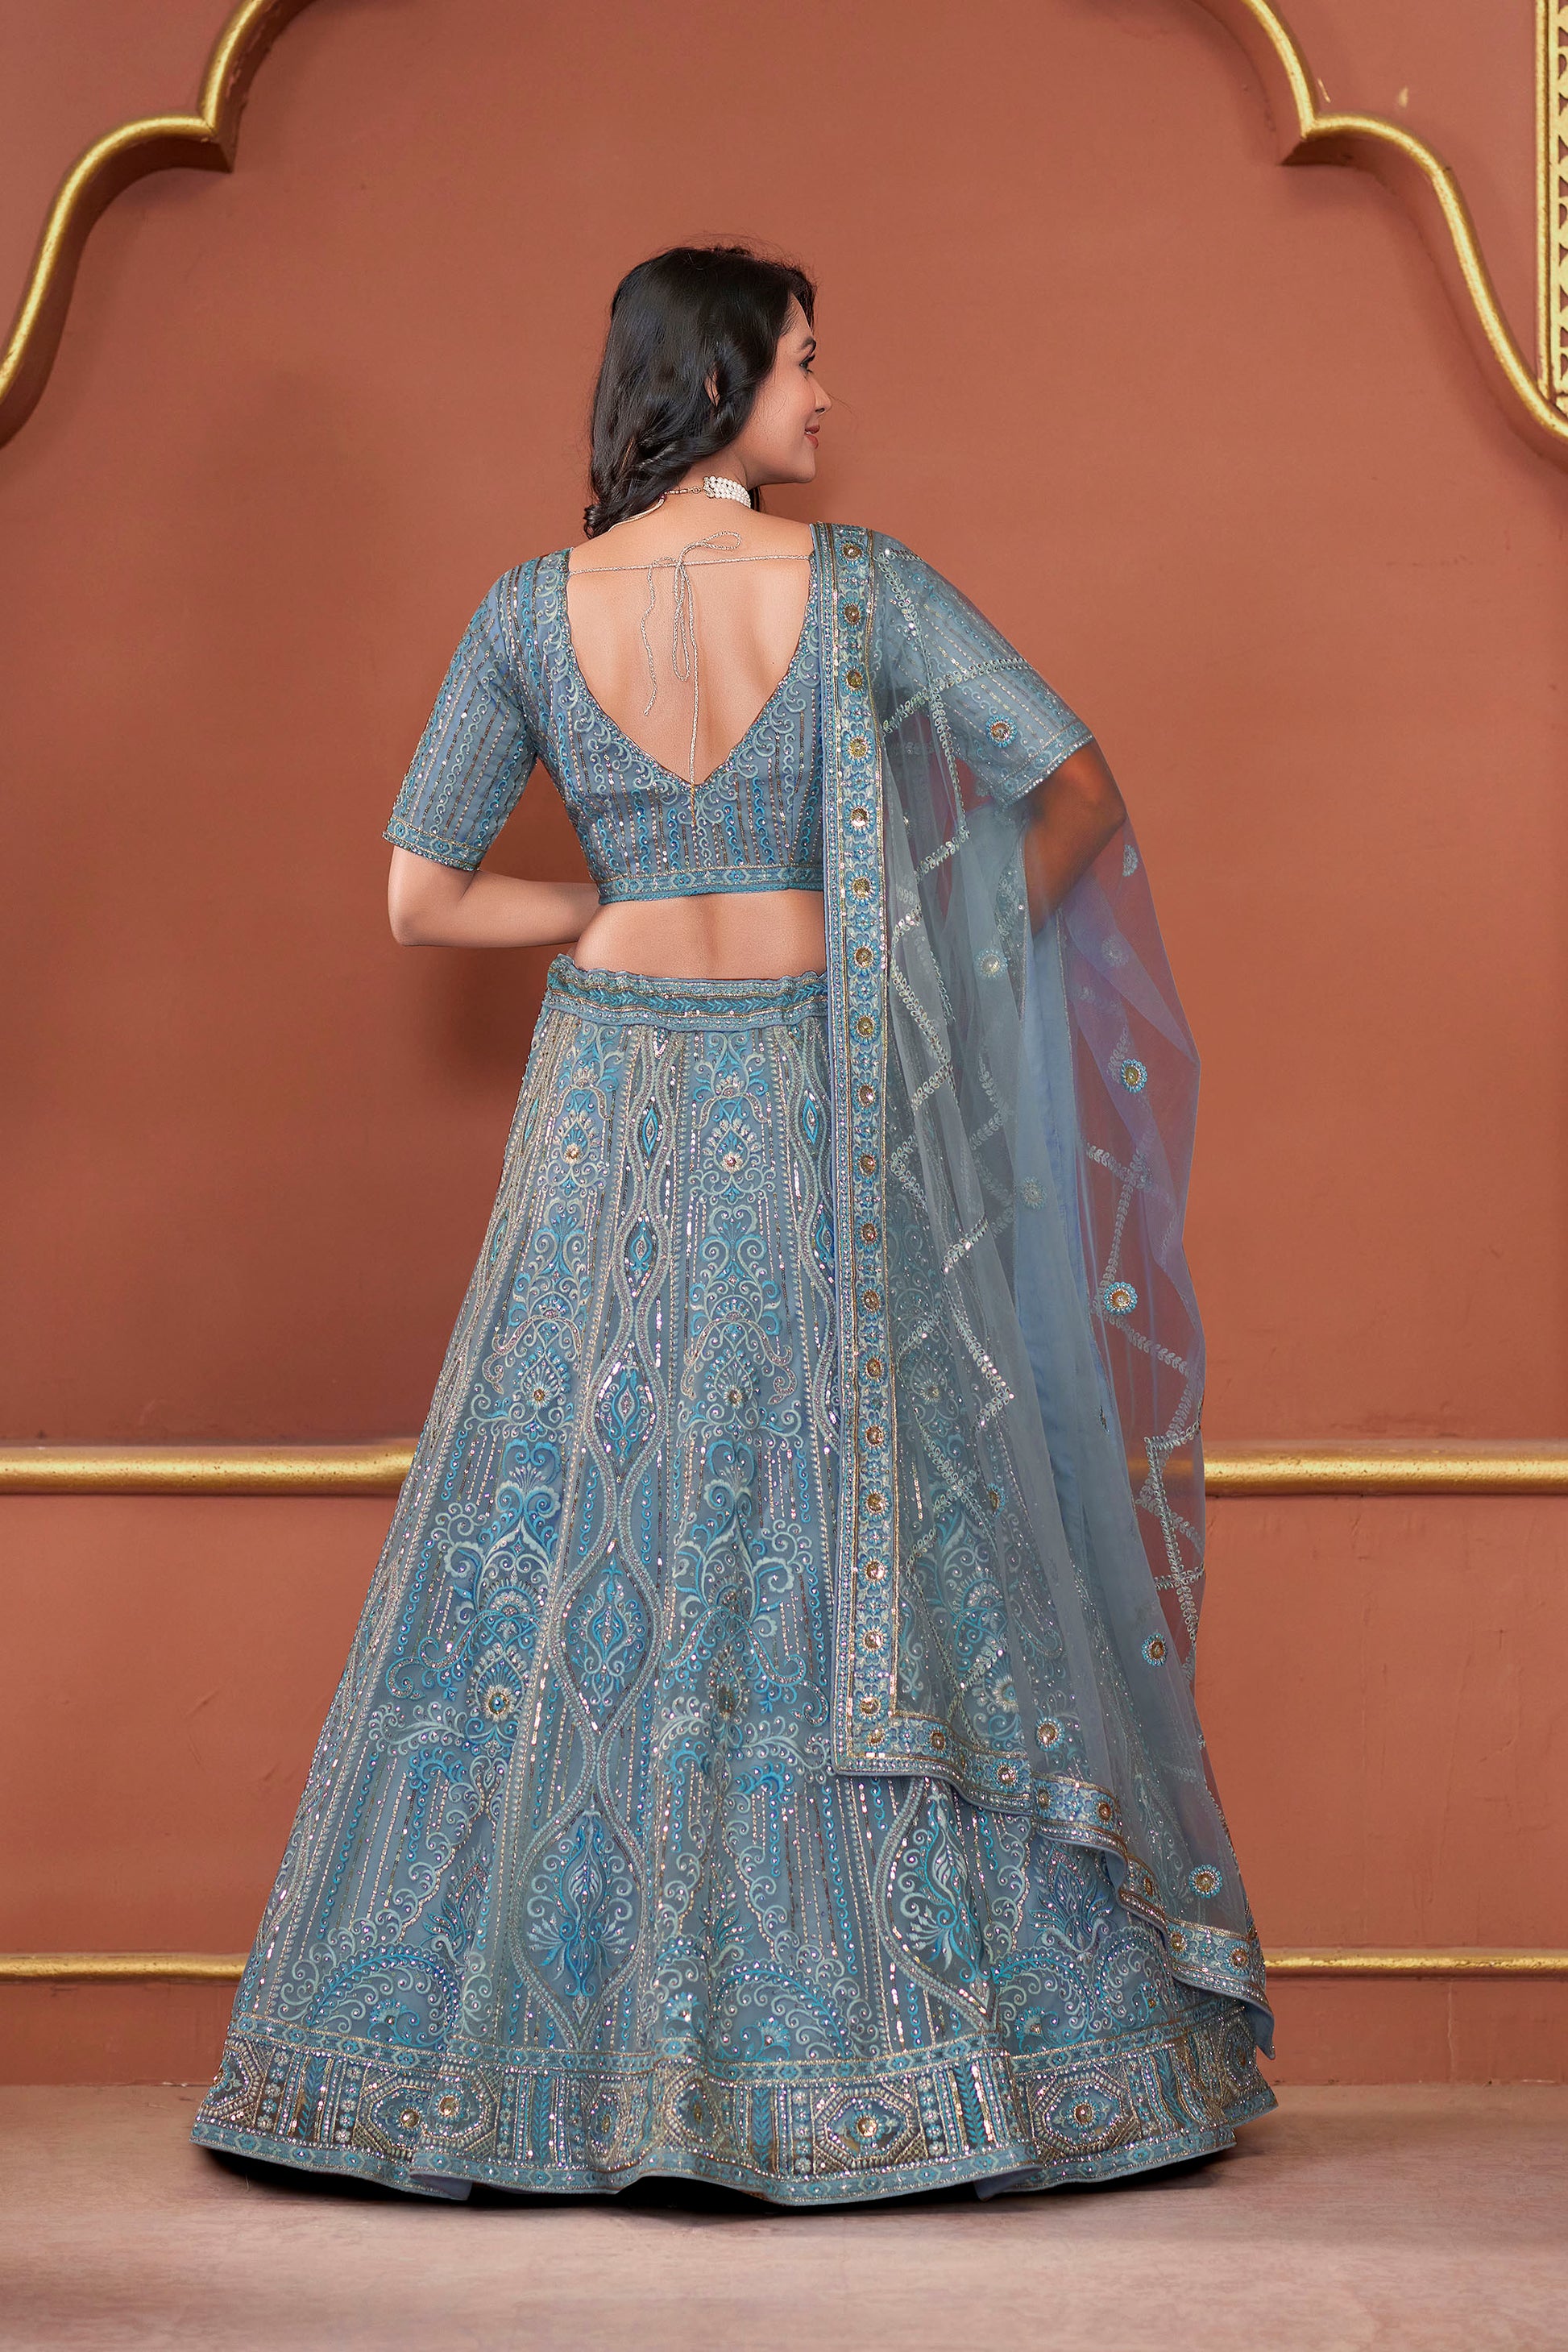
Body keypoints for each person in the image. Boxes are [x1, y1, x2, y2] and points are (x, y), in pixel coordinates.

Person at [193, 243, 1276, 2204]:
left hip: (604, 1101)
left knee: (574, 1504)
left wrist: (601, 908)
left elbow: (420, 895)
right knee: (847, 1502)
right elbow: (1073, 786)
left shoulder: (526, 611)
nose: (822, 399)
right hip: (811, 1085)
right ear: (712, 385)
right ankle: (905, 2058)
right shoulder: (856, 588)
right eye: (798, 364)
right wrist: (930, 955)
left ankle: (508, 2062)